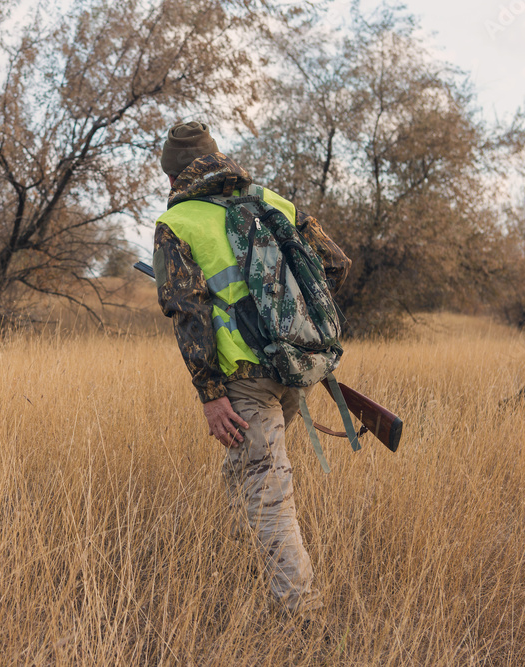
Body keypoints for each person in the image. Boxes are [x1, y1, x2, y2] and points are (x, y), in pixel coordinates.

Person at [152, 121, 351, 620]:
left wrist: (210, 393)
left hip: (241, 376)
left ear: (172, 177)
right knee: (246, 472)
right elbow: (335, 264)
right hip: (289, 366)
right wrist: (295, 324)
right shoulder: (271, 200)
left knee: (266, 494)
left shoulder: (178, 222)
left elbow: (188, 313)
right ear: (219, 158)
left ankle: (303, 617)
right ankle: (229, 565)